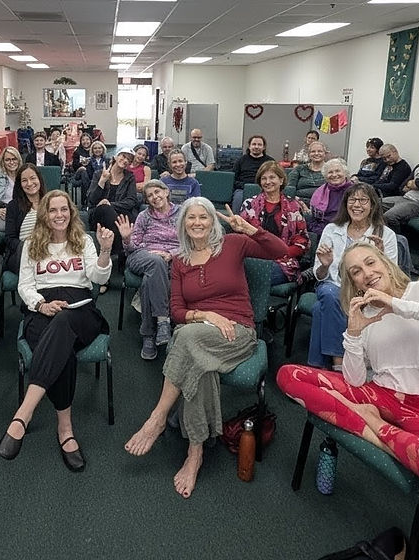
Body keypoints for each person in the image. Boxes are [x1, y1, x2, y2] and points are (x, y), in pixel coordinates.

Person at [277, 242, 419, 495]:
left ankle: (370, 422)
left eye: (371, 263)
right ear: (355, 284)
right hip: (384, 396)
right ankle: (379, 431)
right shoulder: (366, 315)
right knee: (289, 376)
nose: (367, 273)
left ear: (385, 263)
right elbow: (355, 380)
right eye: (356, 271)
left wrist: (399, 305)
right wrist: (353, 333)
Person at [124, 198, 288, 498]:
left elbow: (281, 251)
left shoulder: (234, 244)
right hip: (199, 330)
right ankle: (195, 452)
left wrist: (250, 228)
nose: (197, 222)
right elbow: (175, 311)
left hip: (236, 331)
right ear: (182, 224)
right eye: (191, 218)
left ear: (213, 221)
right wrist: (206, 315)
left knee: (185, 340)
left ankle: (158, 417)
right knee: (200, 366)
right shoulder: (180, 262)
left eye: (204, 217)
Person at [0, 191, 114, 472]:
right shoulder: (31, 245)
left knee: (64, 323)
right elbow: (24, 285)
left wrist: (106, 250)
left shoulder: (84, 240)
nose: (59, 215)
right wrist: (41, 304)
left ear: (71, 213)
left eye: (64, 209)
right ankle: (65, 429)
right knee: (64, 353)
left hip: (81, 309)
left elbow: (99, 279)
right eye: (53, 210)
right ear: (44, 215)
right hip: (43, 307)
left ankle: (23, 413)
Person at [309, 183, 398, 369]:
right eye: (352, 200)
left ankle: (319, 367)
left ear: (372, 205)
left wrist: (380, 257)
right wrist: (325, 265)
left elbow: (392, 276)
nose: (357, 205)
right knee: (330, 294)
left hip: (366, 292)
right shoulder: (332, 229)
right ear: (346, 204)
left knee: (320, 309)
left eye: (363, 200)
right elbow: (319, 275)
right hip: (332, 286)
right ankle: (339, 363)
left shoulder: (385, 234)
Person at [114, 180, 181, 360]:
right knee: (155, 262)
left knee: (148, 280)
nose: (154, 197)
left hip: (172, 258)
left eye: (157, 192)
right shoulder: (144, 216)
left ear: (166, 192)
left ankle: (148, 335)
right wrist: (127, 239)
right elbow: (130, 249)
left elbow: (191, 242)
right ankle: (163, 320)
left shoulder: (182, 212)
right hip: (142, 255)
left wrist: (172, 254)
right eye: (149, 195)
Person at [239, 161, 310, 285]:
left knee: (256, 276)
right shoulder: (249, 204)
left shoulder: (293, 206)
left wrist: (283, 253)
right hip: (253, 258)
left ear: (281, 180)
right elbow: (241, 235)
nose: (267, 182)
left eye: (272, 177)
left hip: (283, 261)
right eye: (263, 178)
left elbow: (302, 240)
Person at [87, 148, 138, 286]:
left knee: (124, 215)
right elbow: (92, 200)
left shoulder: (129, 177)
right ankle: (122, 249)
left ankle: (106, 272)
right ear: (115, 156)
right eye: (123, 156)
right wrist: (102, 181)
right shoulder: (99, 173)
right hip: (98, 216)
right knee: (104, 209)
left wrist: (111, 204)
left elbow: (132, 200)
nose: (125, 160)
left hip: (117, 215)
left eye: (129, 159)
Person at [4, 164, 46, 274]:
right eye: (24, 180)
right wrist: (29, 247)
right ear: (20, 184)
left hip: (49, 249)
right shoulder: (13, 206)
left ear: (39, 179)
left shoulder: (49, 202)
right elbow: (9, 239)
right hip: (23, 253)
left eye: (33, 178)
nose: (29, 183)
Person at [307, 158, 354, 235]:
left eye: (338, 171)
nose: (334, 175)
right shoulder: (320, 191)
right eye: (330, 172)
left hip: (347, 229)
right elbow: (314, 218)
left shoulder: (354, 190)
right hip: (323, 230)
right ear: (325, 176)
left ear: (345, 173)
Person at [231, 134, 275, 209]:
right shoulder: (241, 160)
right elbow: (233, 179)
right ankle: (236, 220)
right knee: (237, 198)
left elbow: (274, 179)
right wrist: (245, 186)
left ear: (264, 147)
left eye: (259, 144)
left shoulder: (270, 161)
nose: (256, 147)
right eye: (254, 144)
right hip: (242, 189)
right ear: (249, 146)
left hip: (264, 189)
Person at [71, 140, 108, 210]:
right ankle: (86, 202)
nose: (97, 150)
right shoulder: (88, 160)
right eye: (95, 148)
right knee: (84, 174)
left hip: (104, 181)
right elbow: (88, 173)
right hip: (91, 181)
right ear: (92, 150)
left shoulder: (107, 160)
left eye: (99, 148)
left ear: (103, 149)